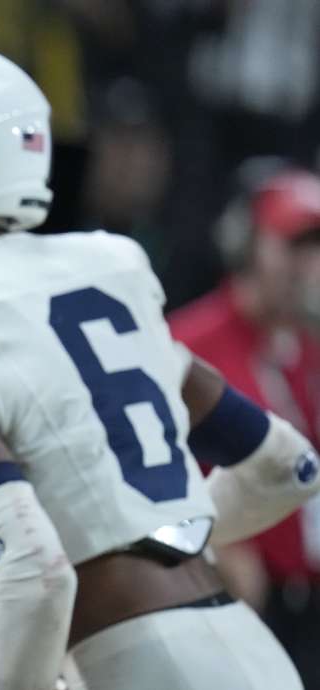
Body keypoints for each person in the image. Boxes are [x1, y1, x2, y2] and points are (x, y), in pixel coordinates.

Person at [0, 40, 315, 690]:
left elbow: (32, 569)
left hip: (137, 665)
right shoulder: (105, 270)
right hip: (251, 649)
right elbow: (288, 467)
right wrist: (166, 539)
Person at [170, 166, 320, 687]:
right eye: (295, 246)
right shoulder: (191, 343)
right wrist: (216, 545)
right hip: (234, 600)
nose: (310, 266)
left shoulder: (309, 347)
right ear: (248, 247)